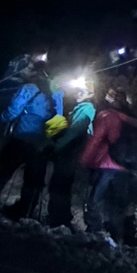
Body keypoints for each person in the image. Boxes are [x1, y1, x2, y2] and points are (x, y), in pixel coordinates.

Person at [0, 58, 59, 217]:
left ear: (35, 71)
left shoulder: (29, 88)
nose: (24, 72)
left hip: (22, 137)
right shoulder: (55, 93)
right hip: (41, 143)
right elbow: (58, 117)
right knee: (33, 180)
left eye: (28, 69)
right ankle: (25, 211)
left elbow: (13, 111)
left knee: (0, 170)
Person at [81, 88, 137, 242]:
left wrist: (85, 160)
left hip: (105, 163)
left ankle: (93, 233)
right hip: (124, 166)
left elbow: (96, 140)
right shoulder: (132, 119)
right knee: (117, 203)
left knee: (95, 199)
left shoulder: (107, 116)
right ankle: (118, 236)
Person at [44, 80, 97, 228]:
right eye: (77, 90)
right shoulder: (81, 108)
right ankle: (59, 217)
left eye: (82, 91)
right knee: (61, 185)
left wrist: (57, 146)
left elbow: (74, 132)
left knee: (60, 185)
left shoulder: (86, 109)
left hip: (70, 152)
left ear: (90, 95)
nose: (78, 93)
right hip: (70, 152)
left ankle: (59, 219)